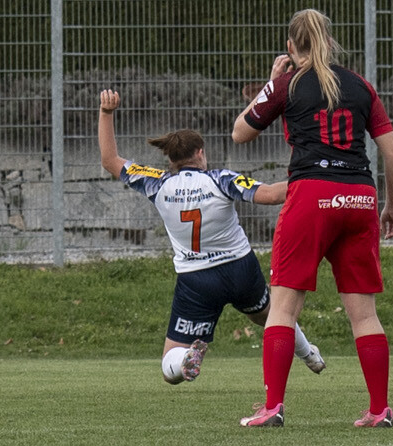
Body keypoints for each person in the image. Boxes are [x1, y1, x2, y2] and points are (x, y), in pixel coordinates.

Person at [231, 9, 393, 428]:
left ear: (291, 47)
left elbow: (240, 132)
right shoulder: (360, 85)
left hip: (311, 195)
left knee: (283, 308)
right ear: (328, 41)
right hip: (360, 197)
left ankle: (273, 407)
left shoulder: (287, 85)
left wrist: (272, 81)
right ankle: (379, 410)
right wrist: (391, 207)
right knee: (364, 314)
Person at [95, 89, 326, 386]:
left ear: (171, 159)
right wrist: (312, 179)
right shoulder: (220, 179)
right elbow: (270, 195)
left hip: (196, 279)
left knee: (169, 366)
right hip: (240, 269)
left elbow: (109, 160)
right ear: (200, 153)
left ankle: (185, 359)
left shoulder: (156, 183)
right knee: (271, 314)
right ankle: (309, 355)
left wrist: (106, 112)